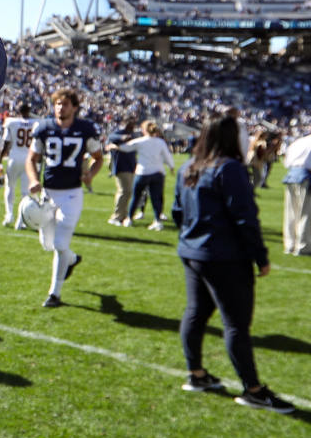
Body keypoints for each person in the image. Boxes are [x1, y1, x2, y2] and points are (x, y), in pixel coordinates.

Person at [172, 115, 294, 413]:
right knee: (236, 323)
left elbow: (178, 211)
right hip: (223, 257)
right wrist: (261, 257)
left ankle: (196, 373)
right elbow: (245, 219)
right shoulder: (229, 169)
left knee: (196, 312)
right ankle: (253, 389)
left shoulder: (188, 166)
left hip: (193, 252)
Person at [26, 88, 103, 307]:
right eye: (58, 103)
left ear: (75, 107)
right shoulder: (44, 128)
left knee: (60, 242)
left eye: (66, 104)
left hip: (71, 193)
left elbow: (98, 157)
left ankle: (55, 294)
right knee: (47, 244)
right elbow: (32, 159)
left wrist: (91, 175)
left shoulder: (85, 129)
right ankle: (71, 259)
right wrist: (33, 180)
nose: (61, 107)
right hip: (48, 192)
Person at [113, 119, 174, 230]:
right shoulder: (160, 142)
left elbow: (126, 148)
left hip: (143, 172)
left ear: (144, 130)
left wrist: (115, 147)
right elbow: (167, 156)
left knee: (136, 197)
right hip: (158, 172)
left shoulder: (140, 141)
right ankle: (157, 221)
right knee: (156, 198)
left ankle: (129, 219)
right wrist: (171, 167)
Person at [0, 102, 36, 228]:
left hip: (14, 158)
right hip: (28, 159)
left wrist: (0, 160)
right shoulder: (35, 123)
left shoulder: (12, 122)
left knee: (10, 187)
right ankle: (20, 220)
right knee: (25, 192)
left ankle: (9, 215)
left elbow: (7, 143)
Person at [282, 128, 311, 256]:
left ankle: (290, 244)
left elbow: (286, 161)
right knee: (305, 213)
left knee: (291, 212)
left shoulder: (298, 142)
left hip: (291, 175)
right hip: (306, 176)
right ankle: (303, 245)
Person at [105, 116, 138, 225]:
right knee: (124, 191)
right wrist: (123, 137)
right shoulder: (119, 133)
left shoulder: (132, 134)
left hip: (130, 166)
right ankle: (116, 216)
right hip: (121, 166)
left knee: (128, 192)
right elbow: (111, 138)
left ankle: (123, 215)